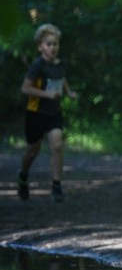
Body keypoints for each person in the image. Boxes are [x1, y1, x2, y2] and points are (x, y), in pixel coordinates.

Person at [17, 23, 77, 203]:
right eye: (48, 44)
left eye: (55, 44)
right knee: (32, 151)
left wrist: (69, 92)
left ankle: (56, 186)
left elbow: (61, 78)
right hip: (35, 113)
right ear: (40, 46)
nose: (52, 48)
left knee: (57, 145)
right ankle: (23, 176)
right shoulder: (38, 65)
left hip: (53, 112)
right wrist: (47, 94)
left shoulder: (61, 64)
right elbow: (25, 88)